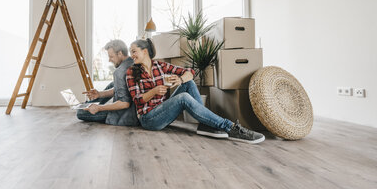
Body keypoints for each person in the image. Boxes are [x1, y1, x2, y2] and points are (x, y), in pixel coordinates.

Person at [125, 38, 265, 144]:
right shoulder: (131, 72)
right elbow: (137, 100)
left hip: (164, 111)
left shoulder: (160, 66)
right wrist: (154, 91)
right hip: (149, 119)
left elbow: (190, 72)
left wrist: (180, 80)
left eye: (133, 51)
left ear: (144, 51)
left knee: (189, 83)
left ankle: (205, 125)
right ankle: (230, 127)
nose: (131, 55)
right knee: (183, 97)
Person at [76, 39, 139, 126]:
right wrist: (100, 94)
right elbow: (123, 89)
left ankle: (89, 106)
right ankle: (90, 104)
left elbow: (124, 103)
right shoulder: (133, 62)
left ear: (120, 53)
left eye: (111, 57)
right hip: (135, 111)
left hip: (123, 115)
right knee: (113, 84)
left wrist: (99, 108)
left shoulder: (120, 72)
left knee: (80, 113)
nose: (109, 60)